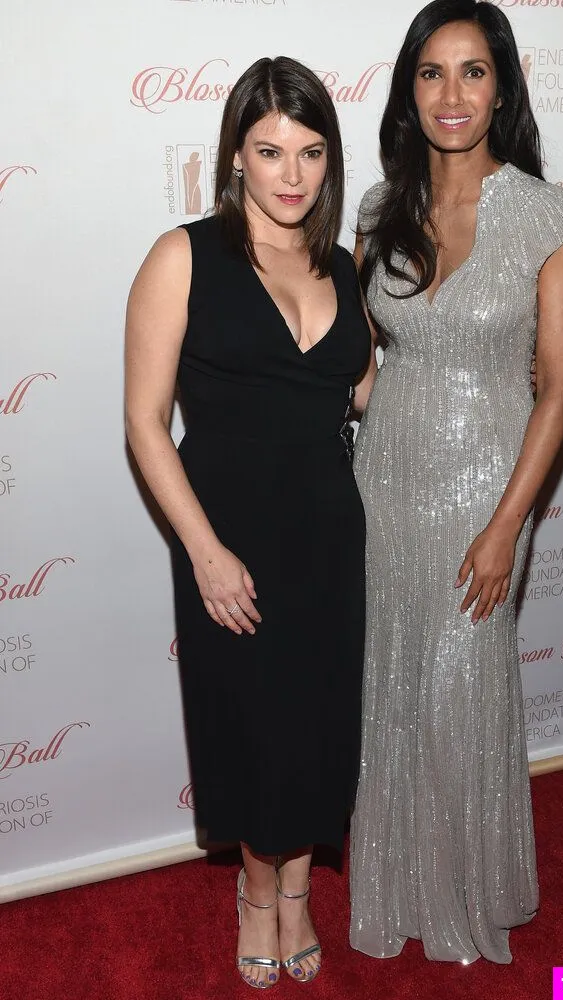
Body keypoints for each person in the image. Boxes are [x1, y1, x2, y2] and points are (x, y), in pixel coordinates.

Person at [349, 0, 563, 965]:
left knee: (460, 684)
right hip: (385, 476)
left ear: (502, 89)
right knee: (394, 680)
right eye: (432, 72)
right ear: (410, 90)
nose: (452, 93)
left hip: (491, 483)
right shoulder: (380, 208)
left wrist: (504, 526)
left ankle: (465, 891)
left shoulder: (548, 216)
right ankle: (398, 883)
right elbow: (360, 354)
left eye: (473, 71)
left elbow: (559, 389)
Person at [125, 57, 371, 989]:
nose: (291, 173)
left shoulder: (343, 266)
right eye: (270, 151)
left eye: (310, 152)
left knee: (317, 722)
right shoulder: (184, 256)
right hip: (227, 532)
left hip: (328, 535)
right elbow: (144, 422)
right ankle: (257, 895)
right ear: (236, 155)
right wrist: (204, 551)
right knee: (253, 725)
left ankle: (299, 890)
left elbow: (364, 394)